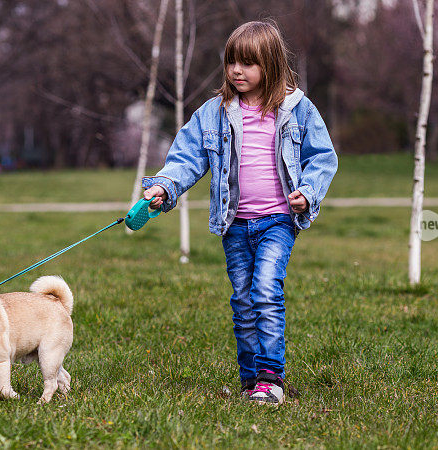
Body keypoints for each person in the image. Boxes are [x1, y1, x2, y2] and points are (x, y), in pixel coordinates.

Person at [141, 21, 338, 405]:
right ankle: (251, 382)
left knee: (266, 290)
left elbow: (322, 157)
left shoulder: (297, 110)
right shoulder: (214, 114)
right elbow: (187, 157)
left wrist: (308, 193)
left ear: (271, 65)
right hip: (235, 223)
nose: (236, 71)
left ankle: (271, 378)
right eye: (232, 62)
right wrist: (165, 185)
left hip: (278, 221)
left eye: (248, 63)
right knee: (244, 301)